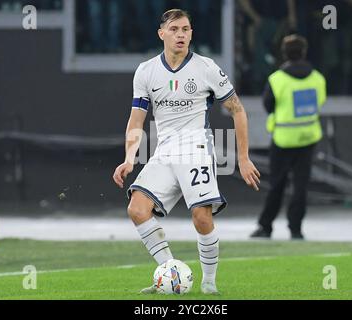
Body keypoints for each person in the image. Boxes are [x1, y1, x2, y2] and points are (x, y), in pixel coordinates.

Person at [113, 9, 260, 295]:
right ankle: (170, 273)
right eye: (175, 29)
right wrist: (129, 157)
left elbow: (238, 111)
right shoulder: (146, 71)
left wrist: (243, 158)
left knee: (202, 218)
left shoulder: (206, 68)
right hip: (164, 150)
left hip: (196, 148)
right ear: (162, 34)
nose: (181, 35)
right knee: (137, 209)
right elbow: (137, 119)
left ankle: (208, 282)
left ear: (191, 33)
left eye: (186, 29)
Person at [250, 34, 326, 240]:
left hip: (283, 139)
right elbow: (319, 103)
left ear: (284, 53)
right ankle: (296, 229)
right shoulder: (318, 78)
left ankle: (265, 226)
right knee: (300, 186)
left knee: (277, 184)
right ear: (304, 52)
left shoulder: (277, 79)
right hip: (308, 138)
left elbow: (268, 105)